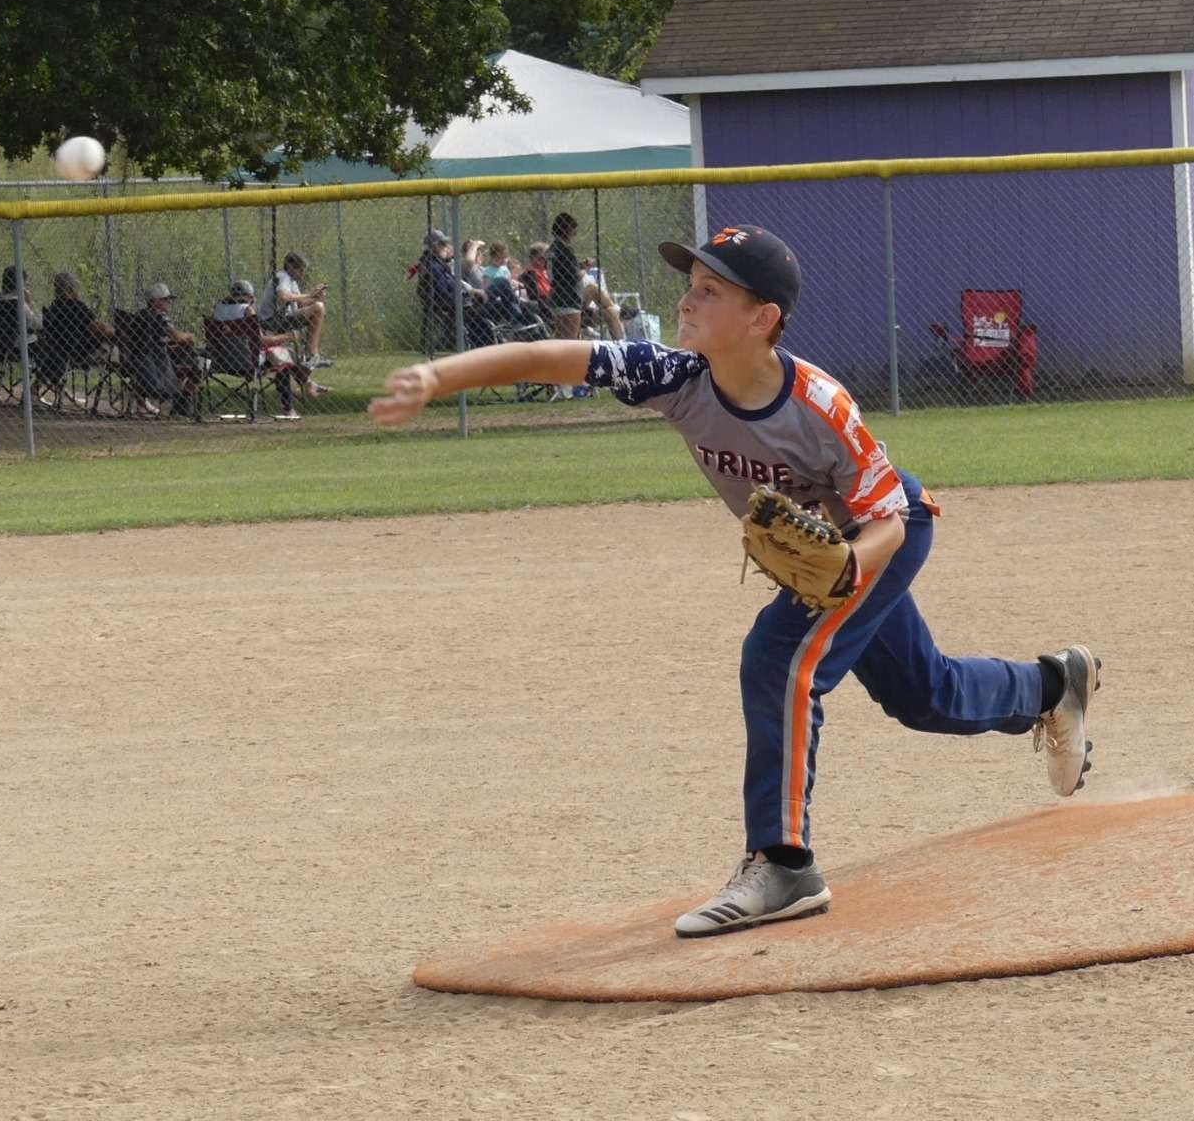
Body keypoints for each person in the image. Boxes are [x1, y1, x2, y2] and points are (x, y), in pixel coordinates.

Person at [369, 223, 1100, 936]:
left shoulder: (821, 406)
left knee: (779, 657)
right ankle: (1049, 685)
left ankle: (783, 863)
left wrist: (847, 567)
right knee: (921, 692)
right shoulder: (674, 376)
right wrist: (436, 376)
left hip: (879, 537)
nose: (688, 300)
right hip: (832, 549)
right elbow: (547, 357)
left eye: (711, 291)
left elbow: (890, 521)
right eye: (691, 284)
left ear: (763, 318)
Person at [211, 280, 322, 417]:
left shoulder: (218, 310)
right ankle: (289, 407)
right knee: (282, 362)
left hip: (222, 361)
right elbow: (261, 341)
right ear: (249, 296)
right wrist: (287, 336)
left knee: (277, 354)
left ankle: (305, 382)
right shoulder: (247, 310)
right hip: (249, 362)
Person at [128, 282, 201, 417]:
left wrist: (168, 342)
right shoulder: (159, 316)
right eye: (165, 299)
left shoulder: (139, 315)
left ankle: (144, 404)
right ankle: (181, 405)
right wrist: (189, 336)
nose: (169, 302)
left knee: (185, 357)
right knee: (199, 363)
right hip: (157, 360)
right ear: (155, 301)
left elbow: (153, 339)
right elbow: (177, 337)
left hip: (138, 358)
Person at [38, 271, 112, 388]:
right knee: (109, 337)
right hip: (79, 350)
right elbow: (95, 326)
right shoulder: (78, 307)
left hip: (57, 348)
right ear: (72, 288)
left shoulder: (53, 307)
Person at [258, 252, 332, 368]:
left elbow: (300, 304)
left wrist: (316, 297)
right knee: (318, 308)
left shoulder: (292, 281)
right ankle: (311, 355)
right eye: (300, 270)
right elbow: (283, 297)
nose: (303, 274)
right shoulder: (283, 276)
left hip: (283, 317)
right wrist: (309, 295)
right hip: (272, 320)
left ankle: (311, 355)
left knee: (318, 307)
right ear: (290, 267)